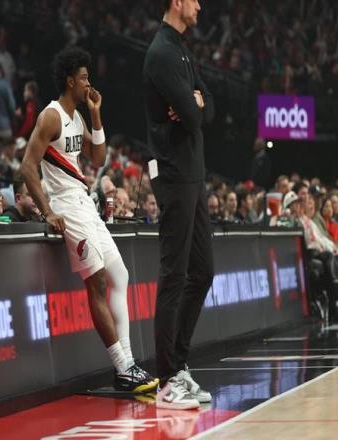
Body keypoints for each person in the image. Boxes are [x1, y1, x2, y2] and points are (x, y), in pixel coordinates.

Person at [21, 47, 157, 393]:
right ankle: (123, 366)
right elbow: (27, 167)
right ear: (70, 81)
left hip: (83, 202)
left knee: (120, 275)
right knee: (97, 283)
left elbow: (97, 158)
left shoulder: (78, 118)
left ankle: (128, 365)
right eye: (84, 77)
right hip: (66, 206)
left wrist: (96, 115)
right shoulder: (50, 116)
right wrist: (48, 211)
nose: (88, 83)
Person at [143, 0, 214, 409]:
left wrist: (197, 102)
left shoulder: (182, 50)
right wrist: (193, 104)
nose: (199, 5)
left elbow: (208, 107)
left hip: (193, 174)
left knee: (203, 271)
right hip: (173, 174)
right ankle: (167, 380)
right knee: (175, 274)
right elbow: (193, 116)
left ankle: (180, 364)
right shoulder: (162, 53)